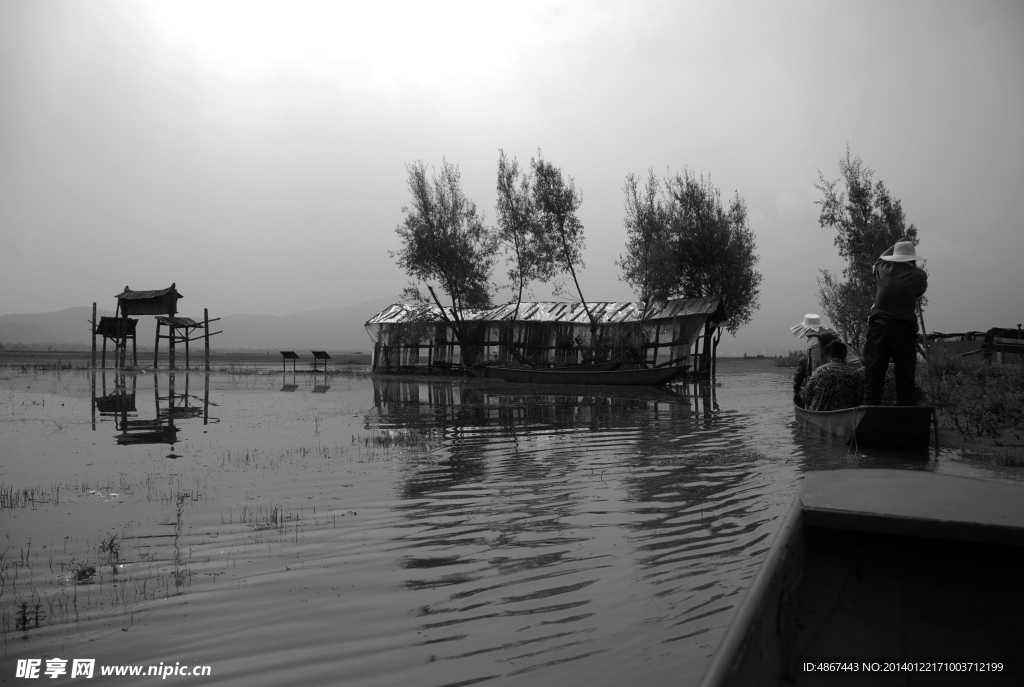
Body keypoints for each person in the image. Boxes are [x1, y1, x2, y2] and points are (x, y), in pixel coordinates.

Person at [863, 241, 928, 406]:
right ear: (912, 259)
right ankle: (904, 418)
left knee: (873, 375)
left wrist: (895, 244)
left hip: (879, 328)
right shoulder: (919, 275)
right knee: (905, 377)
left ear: (894, 257)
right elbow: (920, 289)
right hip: (904, 330)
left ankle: (870, 414)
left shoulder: (881, 270)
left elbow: (878, 260)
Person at [804, 340, 864, 411]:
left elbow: (806, 398)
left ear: (829, 355)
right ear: (845, 355)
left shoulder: (817, 372)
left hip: (818, 413)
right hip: (844, 415)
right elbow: (858, 400)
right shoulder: (855, 373)